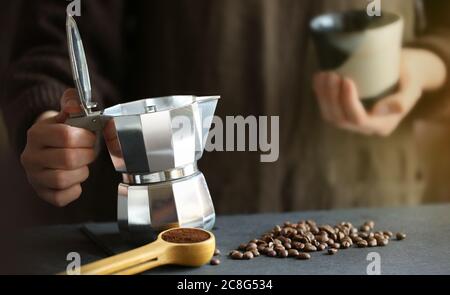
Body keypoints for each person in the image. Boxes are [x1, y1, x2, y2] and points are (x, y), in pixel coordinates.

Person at [0, 0, 448, 223]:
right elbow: (59, 30)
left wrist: (428, 64)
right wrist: (53, 126)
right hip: (168, 230)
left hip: (373, 211)